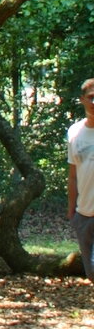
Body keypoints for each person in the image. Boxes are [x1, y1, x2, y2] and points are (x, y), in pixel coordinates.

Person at [68, 79, 94, 276]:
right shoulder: (75, 132)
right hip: (83, 214)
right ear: (82, 100)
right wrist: (72, 213)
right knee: (91, 271)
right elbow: (73, 175)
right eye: (92, 98)